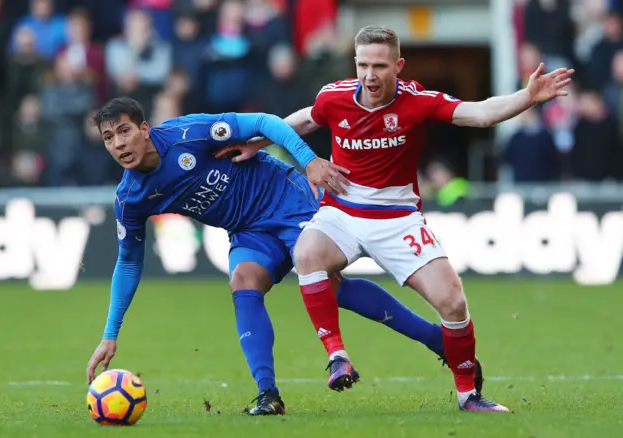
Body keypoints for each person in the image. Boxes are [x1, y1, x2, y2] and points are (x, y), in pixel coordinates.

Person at [216, 25, 574, 412]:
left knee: (452, 303)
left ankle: (469, 395)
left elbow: (479, 114)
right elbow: (304, 120)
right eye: (363, 65)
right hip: (343, 211)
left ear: (398, 65)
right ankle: (337, 355)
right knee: (307, 253)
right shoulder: (334, 98)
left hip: (398, 218)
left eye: (380, 66)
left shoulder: (418, 101)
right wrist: (256, 141)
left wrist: (527, 97)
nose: (370, 75)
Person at [85, 97, 480, 416]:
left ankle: (436, 339)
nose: (118, 144)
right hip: (249, 230)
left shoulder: (189, 133)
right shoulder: (131, 197)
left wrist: (308, 162)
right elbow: (130, 261)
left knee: (332, 288)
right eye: (108, 138)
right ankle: (268, 394)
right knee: (243, 281)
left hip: (290, 200)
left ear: (144, 129)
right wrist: (109, 334)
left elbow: (266, 121)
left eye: (124, 131)